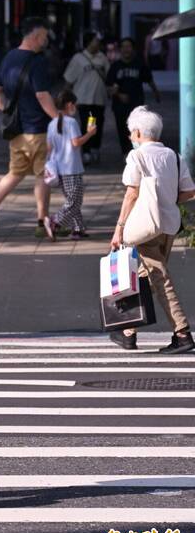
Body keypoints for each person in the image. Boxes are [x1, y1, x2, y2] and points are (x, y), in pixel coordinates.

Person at [110, 107, 195, 353]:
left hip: (143, 227)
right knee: (145, 275)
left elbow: (131, 194)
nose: (130, 137)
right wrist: (165, 200)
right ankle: (128, 332)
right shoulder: (173, 156)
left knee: (159, 278)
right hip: (168, 226)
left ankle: (182, 333)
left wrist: (119, 230)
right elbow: (189, 191)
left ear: (137, 133)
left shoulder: (136, 157)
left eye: (130, 133)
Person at [0, 17, 58, 239]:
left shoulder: (9, 57)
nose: (45, 41)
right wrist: (59, 119)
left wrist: (7, 110)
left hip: (17, 130)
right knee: (42, 175)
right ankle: (42, 222)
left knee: (15, 173)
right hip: (39, 129)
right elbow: (42, 95)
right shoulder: (37, 62)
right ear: (33, 36)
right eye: (43, 36)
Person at [44, 91, 97, 240]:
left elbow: (49, 148)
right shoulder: (71, 122)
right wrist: (90, 133)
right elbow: (76, 143)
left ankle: (78, 229)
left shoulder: (52, 124)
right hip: (72, 167)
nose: (76, 107)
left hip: (59, 168)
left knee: (72, 198)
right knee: (75, 201)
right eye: (75, 104)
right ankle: (55, 221)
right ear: (69, 105)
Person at [106, 38, 161, 157]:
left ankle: (137, 152)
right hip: (119, 105)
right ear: (120, 49)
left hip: (137, 104)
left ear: (133, 49)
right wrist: (119, 95)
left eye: (129, 46)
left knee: (138, 128)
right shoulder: (115, 66)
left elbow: (149, 80)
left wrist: (156, 93)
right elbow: (109, 87)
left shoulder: (139, 64)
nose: (126, 49)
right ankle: (126, 152)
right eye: (124, 46)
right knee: (122, 129)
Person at [63, 31, 109, 165]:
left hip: (99, 99)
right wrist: (65, 98)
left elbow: (109, 75)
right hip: (83, 99)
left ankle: (95, 148)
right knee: (87, 125)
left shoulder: (102, 58)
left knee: (98, 124)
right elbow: (69, 79)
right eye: (95, 40)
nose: (98, 43)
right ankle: (87, 151)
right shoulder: (78, 58)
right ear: (89, 42)